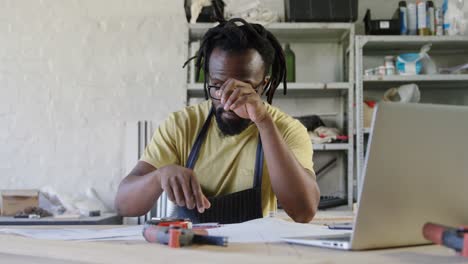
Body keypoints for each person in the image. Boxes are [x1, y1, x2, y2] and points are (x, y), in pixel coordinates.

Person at [115, 18, 320, 224]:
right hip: (191, 249)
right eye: (218, 86)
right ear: (208, 80)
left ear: (263, 85)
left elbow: (304, 212)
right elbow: (124, 205)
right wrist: (159, 176)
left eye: (242, 89)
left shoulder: (286, 130)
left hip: (256, 251)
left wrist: (264, 122)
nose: (227, 101)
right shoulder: (182, 124)